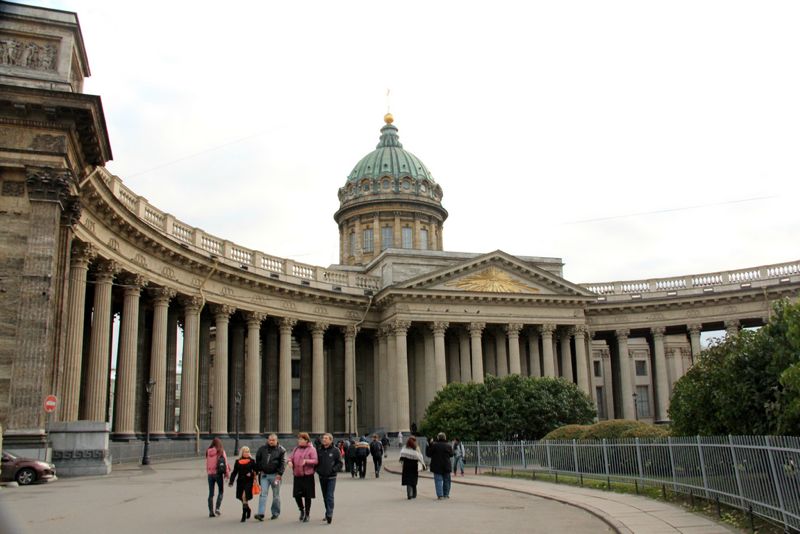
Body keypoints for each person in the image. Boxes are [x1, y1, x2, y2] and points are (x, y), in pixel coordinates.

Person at [254, 433, 286, 521]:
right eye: (270, 440)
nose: (271, 442)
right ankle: (261, 513)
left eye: (273, 440)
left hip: (275, 475)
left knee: (276, 495)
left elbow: (283, 463)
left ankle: (275, 513)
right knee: (263, 494)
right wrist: (258, 470)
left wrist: (279, 474)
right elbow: (258, 459)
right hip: (264, 475)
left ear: (277, 440)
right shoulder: (262, 449)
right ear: (267, 440)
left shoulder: (281, 450)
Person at [287, 432, 318, 522]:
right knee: (297, 495)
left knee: (307, 496)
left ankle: (307, 514)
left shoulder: (312, 449)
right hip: (297, 475)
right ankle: (301, 510)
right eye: (299, 439)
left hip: (307, 475)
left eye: (301, 439)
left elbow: (315, 461)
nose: (299, 441)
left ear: (306, 440)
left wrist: (306, 461)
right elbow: (290, 457)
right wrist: (289, 462)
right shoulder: (296, 449)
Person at [315, 433, 343, 524]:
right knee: (325, 496)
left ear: (331, 440)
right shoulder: (319, 450)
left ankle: (329, 514)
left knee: (329, 496)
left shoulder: (335, 450)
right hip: (322, 476)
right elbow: (316, 462)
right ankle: (327, 512)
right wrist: (317, 470)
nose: (324, 440)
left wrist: (333, 470)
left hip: (331, 477)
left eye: (326, 438)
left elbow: (340, 463)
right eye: (323, 438)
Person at [229, 446, 258, 522]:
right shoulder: (237, 461)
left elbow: (256, 471)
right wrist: (231, 482)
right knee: (242, 498)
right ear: (242, 452)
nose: (247, 453)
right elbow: (234, 472)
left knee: (244, 496)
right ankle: (248, 509)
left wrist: (251, 474)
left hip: (248, 481)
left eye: (248, 451)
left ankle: (243, 515)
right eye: (245, 451)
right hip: (240, 482)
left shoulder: (252, 461)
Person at [205, 437, 229, 517]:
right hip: (218, 474)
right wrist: (227, 474)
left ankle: (211, 512)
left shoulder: (208, 451)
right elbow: (225, 463)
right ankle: (217, 508)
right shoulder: (221, 451)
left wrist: (208, 471)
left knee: (211, 493)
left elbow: (207, 462)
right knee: (221, 491)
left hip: (210, 474)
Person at [426, 432, 454, 499]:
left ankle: (440, 495)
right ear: (445, 438)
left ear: (438, 438)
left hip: (436, 466)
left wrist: (428, 445)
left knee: (438, 480)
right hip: (446, 465)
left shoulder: (434, 445)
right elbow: (451, 454)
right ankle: (446, 494)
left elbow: (428, 454)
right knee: (447, 480)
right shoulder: (448, 446)